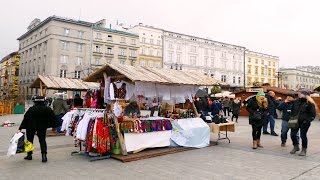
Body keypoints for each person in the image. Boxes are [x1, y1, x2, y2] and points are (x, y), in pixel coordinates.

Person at [18, 96, 57, 163]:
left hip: (30, 127)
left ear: (35, 102)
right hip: (42, 128)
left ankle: (29, 155)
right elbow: (53, 117)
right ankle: (44, 156)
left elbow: (26, 118)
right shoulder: (47, 109)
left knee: (29, 141)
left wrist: (20, 128)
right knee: (42, 141)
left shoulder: (31, 109)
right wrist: (53, 125)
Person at [289, 90, 316, 156]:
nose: (298, 95)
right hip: (295, 121)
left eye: (300, 94)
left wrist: (307, 120)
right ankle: (296, 146)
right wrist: (291, 117)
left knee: (303, 136)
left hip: (304, 122)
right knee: (292, 134)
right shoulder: (296, 101)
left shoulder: (309, 102)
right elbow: (292, 110)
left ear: (305, 94)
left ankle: (304, 149)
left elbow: (313, 114)